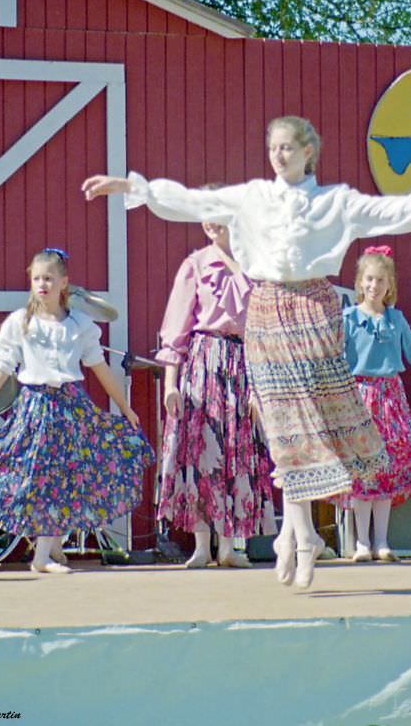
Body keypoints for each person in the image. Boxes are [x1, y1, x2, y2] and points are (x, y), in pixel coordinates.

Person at [82, 115, 411, 588]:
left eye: (288, 147)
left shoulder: (334, 202)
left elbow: (387, 211)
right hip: (265, 309)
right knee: (281, 426)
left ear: (309, 151)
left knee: (308, 424)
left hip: (313, 308)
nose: (279, 154)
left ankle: (298, 531)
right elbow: (194, 200)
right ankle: (299, 531)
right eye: (273, 147)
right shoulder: (252, 197)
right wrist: (133, 185)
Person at [0, 248, 154, 573]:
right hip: (36, 406)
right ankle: (42, 556)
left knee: (68, 475)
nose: (42, 284)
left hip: (71, 406)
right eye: (36, 278)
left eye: (48, 278)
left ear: (64, 283)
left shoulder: (78, 325)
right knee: (43, 475)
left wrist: (126, 409)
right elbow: (3, 368)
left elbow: (99, 368)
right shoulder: (20, 323)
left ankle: (52, 548)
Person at [157, 219, 276, 569]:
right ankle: (201, 546)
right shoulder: (194, 265)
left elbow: (262, 331)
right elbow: (175, 332)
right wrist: (170, 384)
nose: (211, 222)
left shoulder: (255, 266)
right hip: (203, 362)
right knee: (201, 452)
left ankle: (228, 547)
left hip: (242, 364)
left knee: (236, 453)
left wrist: (260, 386)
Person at [335, 245, 411, 562]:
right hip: (359, 398)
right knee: (364, 470)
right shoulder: (348, 319)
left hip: (389, 399)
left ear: (390, 285)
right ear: (360, 282)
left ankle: (382, 541)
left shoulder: (396, 320)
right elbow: (334, 360)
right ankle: (361, 541)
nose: (374, 286)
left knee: (387, 467)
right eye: (369, 279)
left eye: (381, 280)